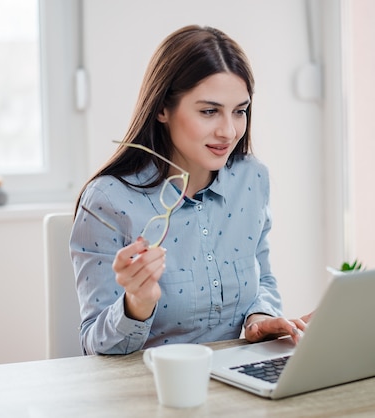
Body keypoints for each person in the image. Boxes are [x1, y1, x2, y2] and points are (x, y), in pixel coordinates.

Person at [70, 25, 312, 355]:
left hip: (235, 385)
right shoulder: (107, 201)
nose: (228, 131)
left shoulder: (252, 179)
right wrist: (136, 304)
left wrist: (260, 318)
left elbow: (262, 279)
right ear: (162, 109)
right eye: (209, 111)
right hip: (148, 391)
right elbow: (93, 347)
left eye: (239, 111)